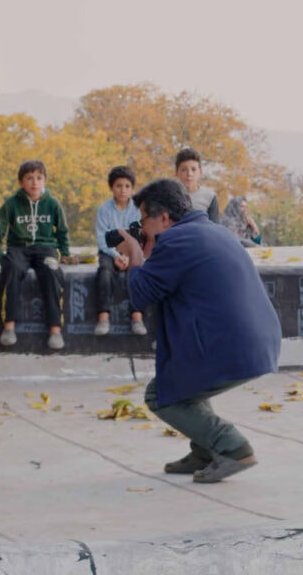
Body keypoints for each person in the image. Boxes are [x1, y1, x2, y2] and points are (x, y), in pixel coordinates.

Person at [116, 178, 281, 483]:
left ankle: (232, 447)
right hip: (256, 342)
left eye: (144, 222)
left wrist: (135, 252)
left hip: (232, 348)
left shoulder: (176, 241)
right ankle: (206, 450)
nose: (144, 230)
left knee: (160, 395)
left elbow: (140, 295)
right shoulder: (214, 232)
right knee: (184, 383)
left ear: (164, 217)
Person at [0, 160, 71, 350]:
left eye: (39, 178)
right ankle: (9, 326)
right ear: (21, 182)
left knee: (52, 272)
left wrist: (64, 253)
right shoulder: (11, 204)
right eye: (29, 178)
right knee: (12, 270)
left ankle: (55, 329)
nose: (34, 182)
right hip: (19, 249)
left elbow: (62, 232)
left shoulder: (53, 204)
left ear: (45, 181)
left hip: (45, 248)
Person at [92, 166, 147, 336]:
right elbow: (102, 238)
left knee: (137, 273)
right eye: (118, 186)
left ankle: (137, 317)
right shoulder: (104, 210)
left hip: (132, 252)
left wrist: (129, 257)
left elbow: (139, 238)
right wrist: (117, 255)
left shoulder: (138, 211)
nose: (123, 190)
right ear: (111, 188)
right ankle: (103, 317)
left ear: (132, 188)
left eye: (127, 186)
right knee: (105, 272)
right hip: (109, 251)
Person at [174, 147, 220, 222]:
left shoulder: (210, 197)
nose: (189, 174)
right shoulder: (168, 196)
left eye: (193, 169)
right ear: (176, 173)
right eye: (183, 170)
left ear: (200, 172)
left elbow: (214, 228)